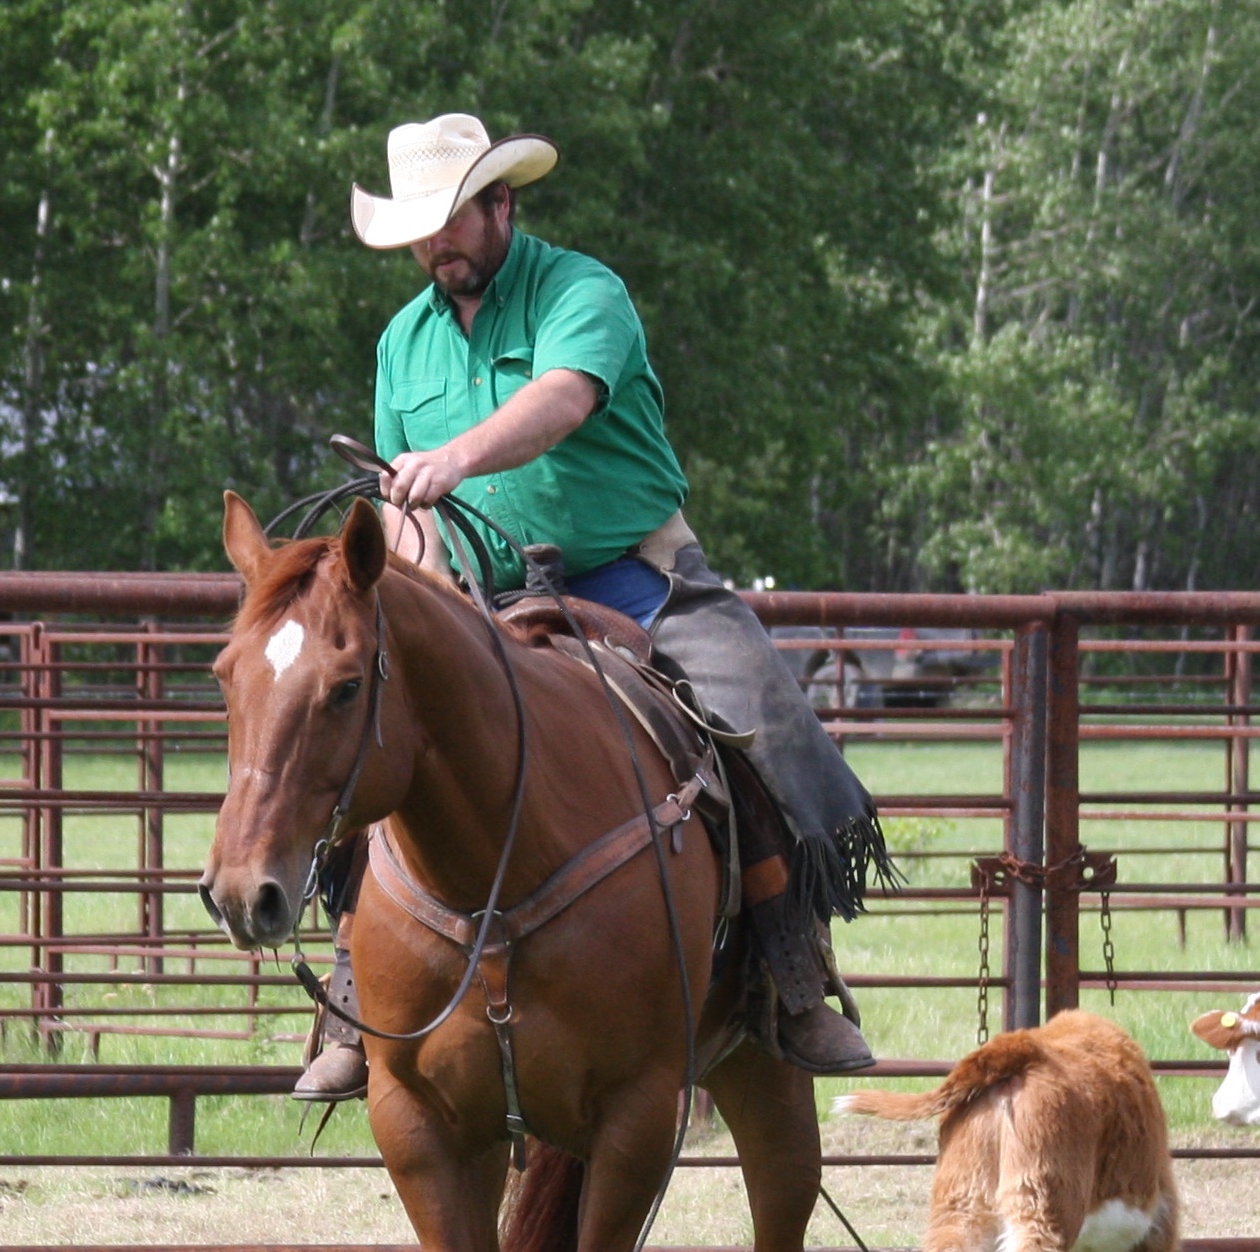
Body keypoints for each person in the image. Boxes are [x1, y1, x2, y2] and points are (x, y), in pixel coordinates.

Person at [294, 113, 883, 1101]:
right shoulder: (402, 342)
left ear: (502, 204)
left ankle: (790, 974)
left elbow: (563, 399)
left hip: (629, 574)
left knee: (757, 718)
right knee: (369, 732)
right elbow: (403, 509)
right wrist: (417, 583)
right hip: (476, 593)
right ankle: (354, 994)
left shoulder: (580, 291)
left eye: (452, 220)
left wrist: (455, 458)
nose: (436, 246)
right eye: (420, 232)